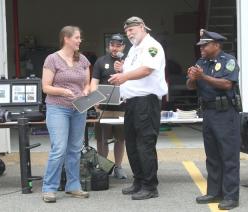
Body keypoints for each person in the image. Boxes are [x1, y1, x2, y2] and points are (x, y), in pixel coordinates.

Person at [109, 16, 168, 200]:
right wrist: (122, 69)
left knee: (145, 144)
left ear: (142, 27)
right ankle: (139, 181)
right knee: (133, 144)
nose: (129, 34)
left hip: (146, 101)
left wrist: (124, 77)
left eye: (132, 30)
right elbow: (133, 70)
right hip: (132, 102)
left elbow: (146, 70)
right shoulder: (134, 49)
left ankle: (150, 186)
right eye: (127, 31)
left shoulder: (152, 46)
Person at [186, 29, 241, 210]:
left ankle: (231, 196)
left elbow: (226, 84)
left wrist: (202, 76)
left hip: (225, 113)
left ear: (216, 45)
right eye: (200, 45)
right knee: (212, 156)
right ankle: (214, 192)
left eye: (205, 45)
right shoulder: (201, 62)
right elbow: (190, 86)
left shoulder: (229, 61)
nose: (201, 48)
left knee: (228, 156)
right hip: (208, 113)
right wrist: (192, 78)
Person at [41, 26, 91, 203]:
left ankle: (73, 185)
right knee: (59, 149)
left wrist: (86, 91)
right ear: (66, 39)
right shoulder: (52, 59)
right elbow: (45, 87)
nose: (80, 40)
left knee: (75, 149)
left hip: (79, 108)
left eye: (80, 37)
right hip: (57, 108)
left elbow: (87, 84)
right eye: (77, 37)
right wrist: (63, 92)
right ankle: (48, 188)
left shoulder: (83, 59)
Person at [90, 34, 127, 179]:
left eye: (118, 45)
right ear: (108, 46)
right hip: (103, 108)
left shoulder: (128, 61)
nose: (115, 48)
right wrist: (94, 101)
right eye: (112, 45)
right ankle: (103, 167)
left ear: (123, 46)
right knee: (102, 139)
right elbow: (94, 82)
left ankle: (118, 166)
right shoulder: (101, 61)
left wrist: (124, 70)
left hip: (122, 108)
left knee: (120, 138)